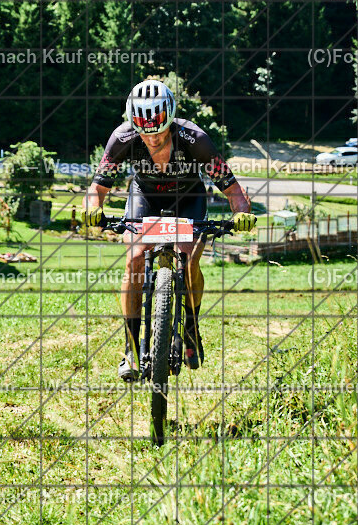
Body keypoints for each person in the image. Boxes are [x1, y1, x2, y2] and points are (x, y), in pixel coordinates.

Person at [83, 79, 256, 381]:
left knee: (188, 261)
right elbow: (97, 187)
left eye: (159, 131)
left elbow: (233, 190)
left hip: (188, 199)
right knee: (134, 260)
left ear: (171, 118)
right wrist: (92, 209)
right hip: (145, 198)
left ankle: (190, 329)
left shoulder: (195, 139)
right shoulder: (122, 138)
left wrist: (242, 214)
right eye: (144, 132)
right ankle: (131, 347)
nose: (152, 139)